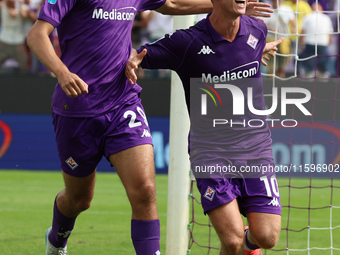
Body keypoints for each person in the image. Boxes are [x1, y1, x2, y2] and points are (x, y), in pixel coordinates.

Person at [26, 0, 274, 254]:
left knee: (145, 190)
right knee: (79, 199)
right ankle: (57, 239)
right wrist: (61, 72)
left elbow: (172, 4)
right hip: (77, 109)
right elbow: (36, 35)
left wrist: (224, 7)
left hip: (123, 102)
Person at [125, 0, 283, 254]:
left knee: (267, 237)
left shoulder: (257, 30)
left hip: (256, 149)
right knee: (231, 242)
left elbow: (243, 51)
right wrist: (132, 61)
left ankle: (248, 240)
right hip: (211, 151)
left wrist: (260, 49)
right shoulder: (187, 42)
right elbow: (140, 55)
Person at [299, 3, 334, 78]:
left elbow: (302, 32)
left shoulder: (307, 17)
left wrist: (301, 44)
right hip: (322, 45)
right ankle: (323, 86)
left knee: (309, 69)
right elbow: (330, 35)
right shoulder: (326, 18)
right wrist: (328, 45)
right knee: (323, 69)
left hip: (310, 45)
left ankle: (308, 84)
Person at [264, 0, 295, 78]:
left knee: (282, 67)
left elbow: (293, 22)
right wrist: (273, 30)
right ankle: (270, 85)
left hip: (284, 41)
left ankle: (281, 83)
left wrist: (293, 30)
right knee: (271, 66)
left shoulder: (287, 9)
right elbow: (264, 25)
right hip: (271, 41)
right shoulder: (267, 9)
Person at [0, 0, 28, 74]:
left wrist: (21, 4)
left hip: (18, 41)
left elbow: (23, 15)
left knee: (23, 63)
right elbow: (12, 14)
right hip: (4, 40)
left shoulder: (22, 7)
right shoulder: (2, 5)